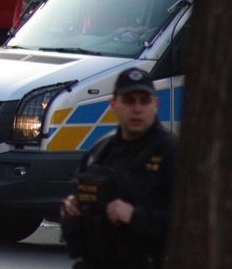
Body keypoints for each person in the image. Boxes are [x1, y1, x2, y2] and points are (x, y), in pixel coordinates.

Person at [60, 68, 176, 268]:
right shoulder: (100, 152)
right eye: (129, 101)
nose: (137, 109)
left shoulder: (171, 153)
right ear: (114, 105)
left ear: (156, 104)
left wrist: (134, 216)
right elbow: (79, 194)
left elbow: (190, 225)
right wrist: (73, 206)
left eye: (144, 101)